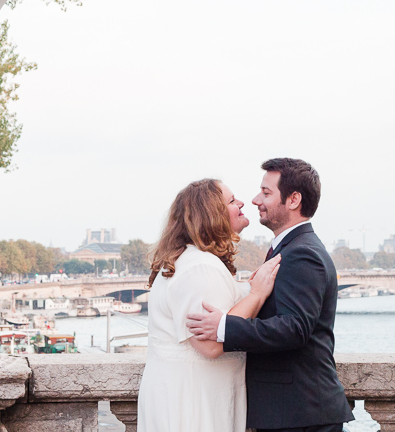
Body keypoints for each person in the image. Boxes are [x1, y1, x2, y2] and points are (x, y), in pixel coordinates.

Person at [187, 158, 355, 432]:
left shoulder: (302, 253)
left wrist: (223, 327)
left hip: (300, 414)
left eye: (266, 192)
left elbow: (295, 327)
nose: (255, 200)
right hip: (294, 412)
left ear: (293, 200)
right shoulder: (290, 248)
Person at [137, 178, 281, 432]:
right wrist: (256, 295)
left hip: (187, 395)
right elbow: (210, 344)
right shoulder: (200, 266)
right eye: (232, 200)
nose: (242, 203)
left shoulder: (190, 261)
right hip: (194, 405)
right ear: (212, 215)